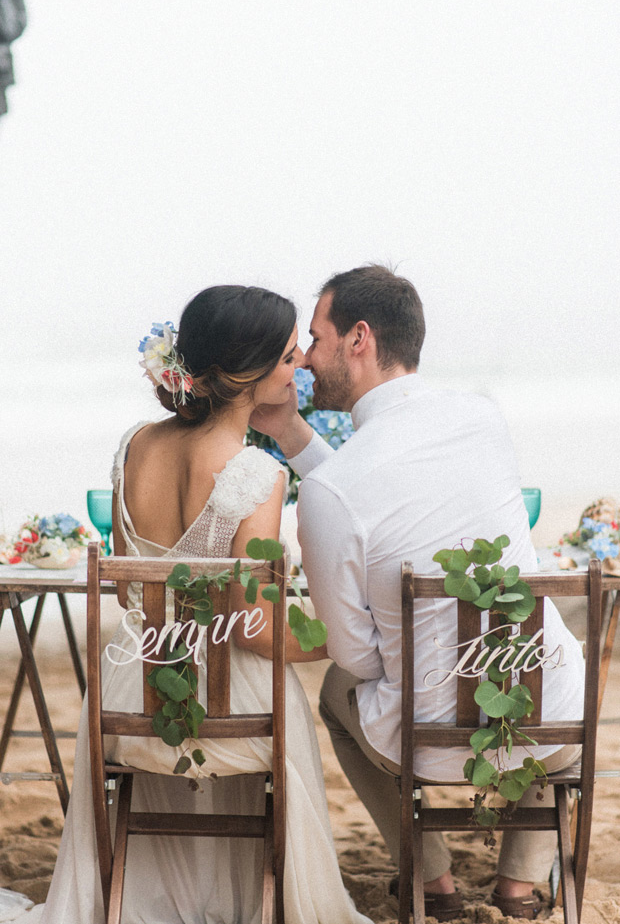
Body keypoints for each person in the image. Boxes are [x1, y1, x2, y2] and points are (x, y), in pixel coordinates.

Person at [15, 286, 372, 924]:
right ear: (248, 374)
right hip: (229, 710)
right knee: (285, 694)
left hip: (130, 698)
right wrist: (343, 636)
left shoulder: (135, 446)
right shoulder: (257, 475)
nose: (301, 369)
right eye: (290, 358)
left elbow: (129, 587)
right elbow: (258, 631)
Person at [251, 265, 585, 922]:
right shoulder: (483, 419)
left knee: (337, 692)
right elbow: (383, 485)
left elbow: (357, 654)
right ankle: (519, 886)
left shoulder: (331, 491)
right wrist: (291, 434)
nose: (308, 359)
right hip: (555, 720)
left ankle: (432, 882)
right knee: (555, 666)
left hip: (425, 739)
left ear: (359, 339)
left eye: (315, 338)